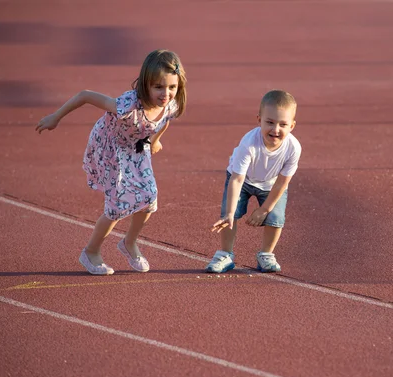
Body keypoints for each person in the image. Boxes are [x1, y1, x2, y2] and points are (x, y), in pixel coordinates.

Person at [35, 49, 187, 275]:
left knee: (149, 198)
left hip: (137, 147)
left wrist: (156, 140)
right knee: (117, 206)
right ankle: (91, 251)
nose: (166, 93)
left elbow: (164, 122)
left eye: (172, 87)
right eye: (159, 87)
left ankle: (129, 243)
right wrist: (55, 117)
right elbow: (85, 95)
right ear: (145, 84)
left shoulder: (170, 105)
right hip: (111, 148)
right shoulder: (127, 104)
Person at [209, 90, 301, 273]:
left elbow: (283, 182)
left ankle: (266, 254)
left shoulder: (293, 148)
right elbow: (237, 179)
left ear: (292, 125)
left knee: (276, 218)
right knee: (231, 213)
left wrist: (264, 210)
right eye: (269, 122)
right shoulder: (249, 143)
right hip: (242, 180)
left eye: (283, 124)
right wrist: (229, 212)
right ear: (259, 120)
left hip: (271, 184)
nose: (275, 130)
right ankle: (226, 254)